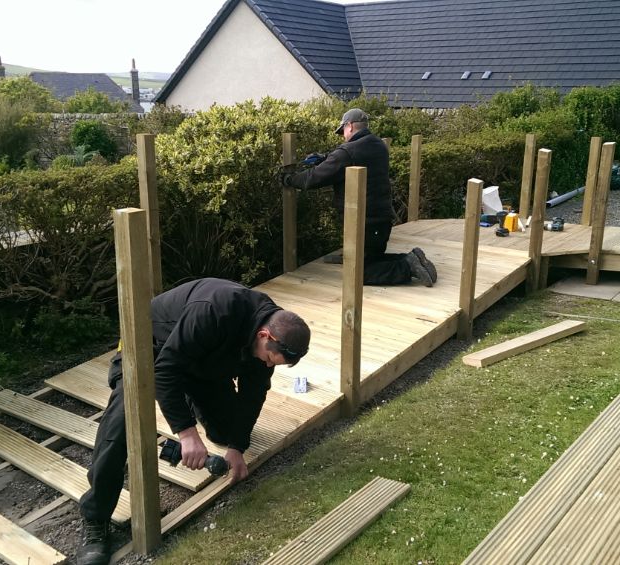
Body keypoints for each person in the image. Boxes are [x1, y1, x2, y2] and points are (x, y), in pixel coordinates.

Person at [77, 277, 311, 565]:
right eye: (269, 359)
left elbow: (253, 394)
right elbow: (164, 370)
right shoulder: (214, 310)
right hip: (152, 348)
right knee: (122, 423)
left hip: (203, 361)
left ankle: (185, 397)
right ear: (264, 335)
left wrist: (237, 447)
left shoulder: (271, 336)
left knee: (226, 431)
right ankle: (95, 519)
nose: (267, 365)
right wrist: (186, 433)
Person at [282, 108, 438, 287]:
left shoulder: (347, 152)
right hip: (381, 220)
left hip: (366, 223)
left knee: (360, 274)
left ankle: (408, 266)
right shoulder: (378, 145)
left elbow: (314, 178)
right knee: (371, 258)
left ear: (349, 126)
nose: (343, 136)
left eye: (342, 132)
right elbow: (352, 157)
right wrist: (326, 158)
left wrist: (289, 179)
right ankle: (413, 257)